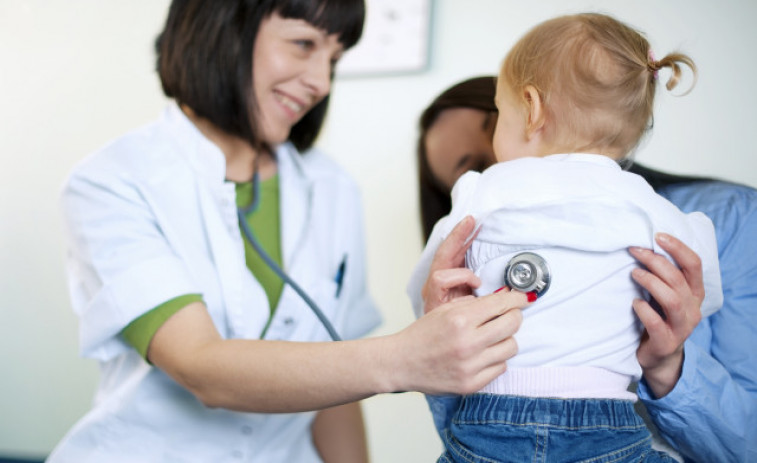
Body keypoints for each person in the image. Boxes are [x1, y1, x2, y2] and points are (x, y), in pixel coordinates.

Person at [50, 1, 535, 462]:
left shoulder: (332, 188)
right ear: (223, 26)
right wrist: (405, 357)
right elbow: (199, 366)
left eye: (335, 58)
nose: (321, 82)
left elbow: (334, 388)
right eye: (304, 43)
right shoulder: (114, 180)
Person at [408, 13, 725, 462]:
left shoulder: (484, 190)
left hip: (489, 419)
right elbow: (702, 288)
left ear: (532, 109)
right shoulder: (649, 206)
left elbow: (429, 284)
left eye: (499, 113)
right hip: (609, 422)